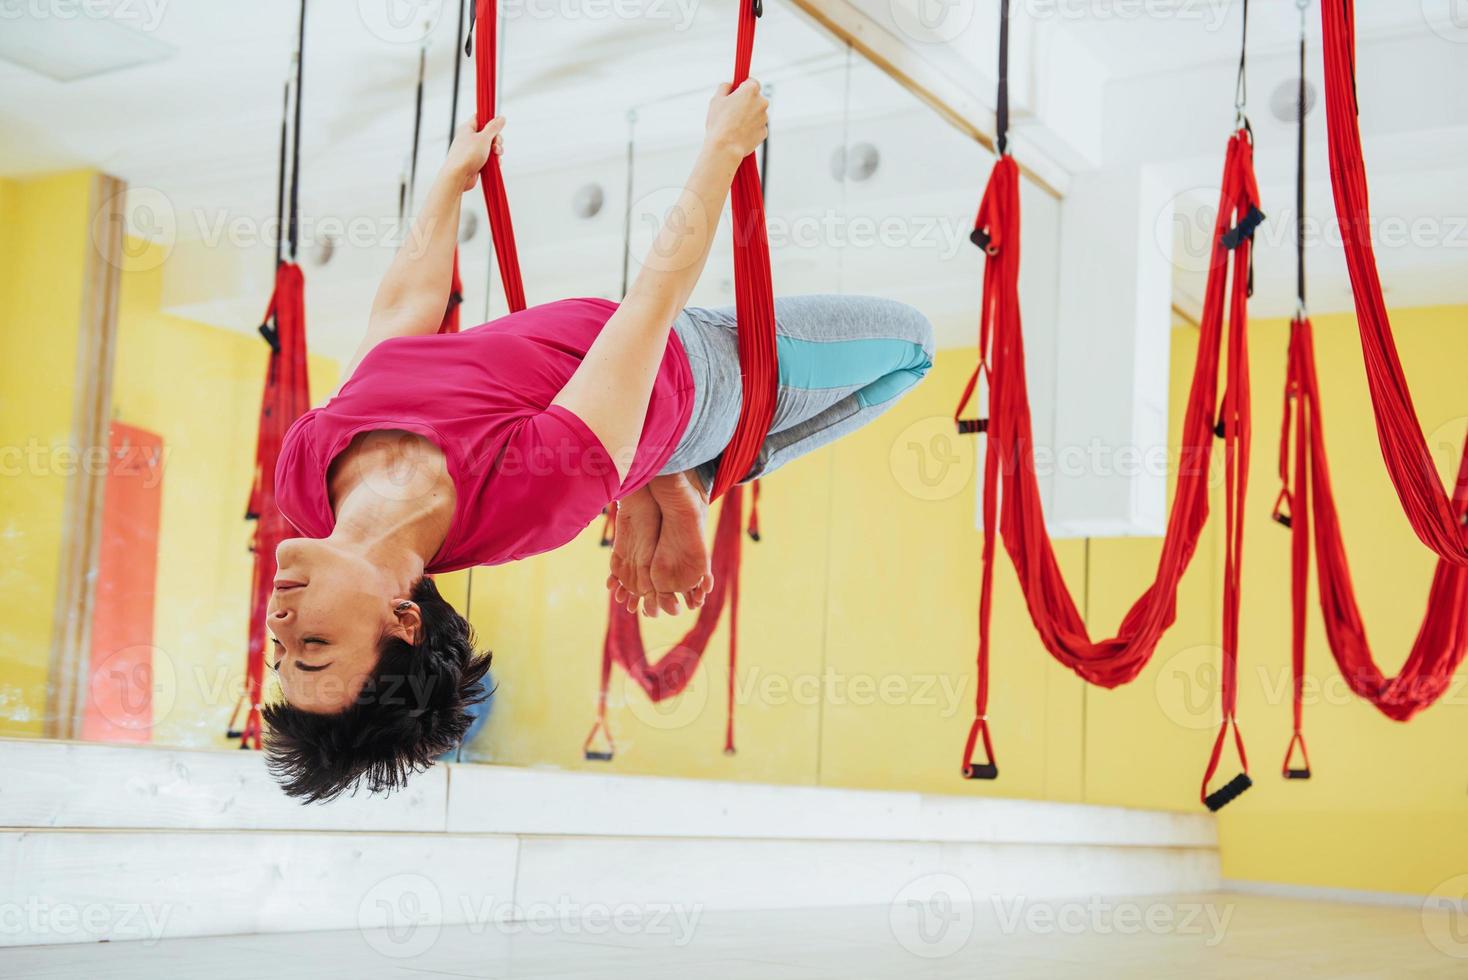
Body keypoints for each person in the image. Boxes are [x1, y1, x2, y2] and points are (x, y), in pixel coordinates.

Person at [263, 79, 934, 801]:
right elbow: (649, 307)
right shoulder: (526, 500)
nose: (280, 622)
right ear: (404, 621)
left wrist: (450, 182)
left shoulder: (303, 473)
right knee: (913, 351)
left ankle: (666, 473)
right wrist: (724, 148)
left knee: (630, 443)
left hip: (617, 415)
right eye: (314, 645)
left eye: (280, 651)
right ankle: (701, 472)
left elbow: (403, 310)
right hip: (707, 371)